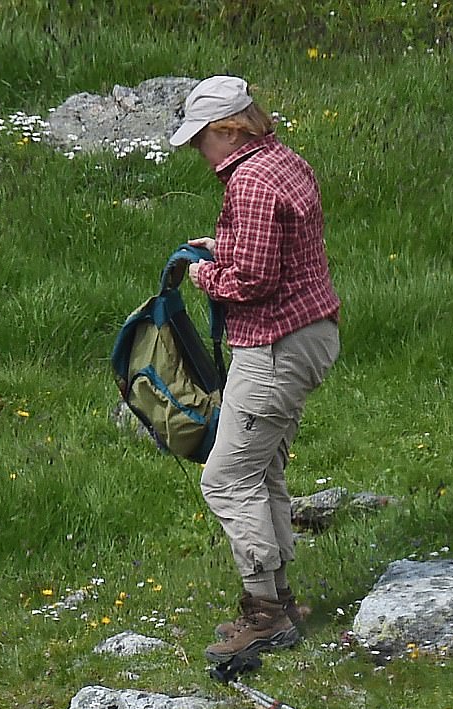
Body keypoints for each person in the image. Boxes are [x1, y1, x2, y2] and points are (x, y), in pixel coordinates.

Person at [169, 76, 341, 663]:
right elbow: (276, 249)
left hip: (275, 345)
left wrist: (205, 275)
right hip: (311, 332)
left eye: (201, 141)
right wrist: (224, 247)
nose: (200, 153)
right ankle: (282, 601)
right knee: (262, 468)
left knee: (226, 478)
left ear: (227, 130)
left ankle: (263, 614)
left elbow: (254, 282)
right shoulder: (285, 160)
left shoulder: (249, 181)